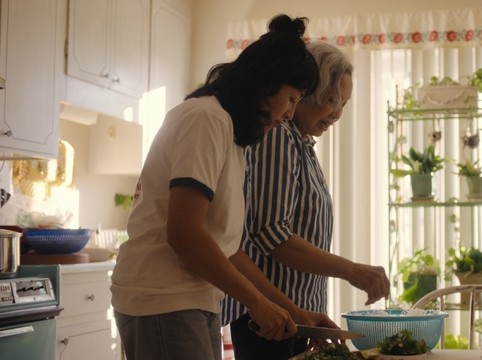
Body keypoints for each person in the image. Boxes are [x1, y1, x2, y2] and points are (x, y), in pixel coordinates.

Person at [110, 15, 336, 360]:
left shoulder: (230, 134)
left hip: (190, 299)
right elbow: (184, 234)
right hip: (163, 297)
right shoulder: (206, 119)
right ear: (267, 83)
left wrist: (295, 312)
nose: (290, 113)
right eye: (291, 98)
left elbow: (226, 248)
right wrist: (256, 303)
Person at [221, 41, 391, 360]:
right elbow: (272, 234)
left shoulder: (301, 144)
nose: (337, 114)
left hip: (292, 316)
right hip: (268, 318)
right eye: (331, 100)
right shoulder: (278, 136)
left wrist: (309, 312)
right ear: (306, 92)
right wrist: (352, 271)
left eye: (344, 104)